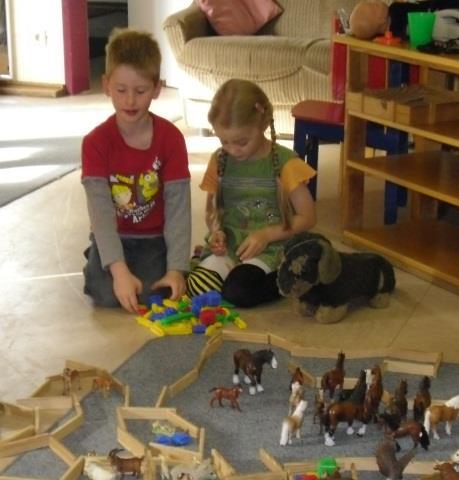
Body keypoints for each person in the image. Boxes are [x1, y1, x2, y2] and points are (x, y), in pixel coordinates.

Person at [81, 29, 191, 312]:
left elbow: (179, 209)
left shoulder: (171, 138)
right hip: (115, 234)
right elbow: (101, 212)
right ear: (106, 86)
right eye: (121, 90)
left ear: (156, 88)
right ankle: (100, 254)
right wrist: (118, 271)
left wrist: (177, 268)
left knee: (157, 293)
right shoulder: (95, 142)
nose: (130, 101)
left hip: (154, 239)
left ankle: (109, 259)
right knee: (107, 294)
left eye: (140, 91)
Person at [186, 79, 317, 308]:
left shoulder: (285, 163)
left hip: (272, 248)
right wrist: (216, 231)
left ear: (263, 123)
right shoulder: (220, 160)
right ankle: (221, 271)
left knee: (239, 292)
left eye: (241, 142)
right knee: (197, 287)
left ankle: (293, 276)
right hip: (231, 246)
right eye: (224, 141)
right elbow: (211, 211)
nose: (232, 150)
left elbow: (308, 217)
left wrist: (266, 235)